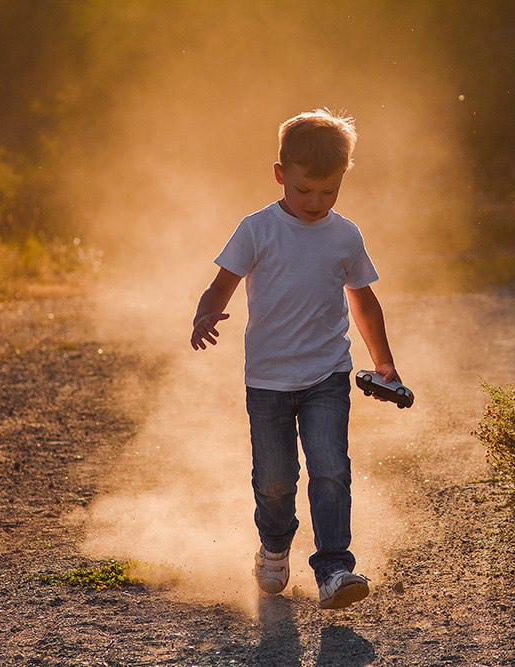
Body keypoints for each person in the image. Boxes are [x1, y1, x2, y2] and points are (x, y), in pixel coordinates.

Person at [190, 109, 400, 610]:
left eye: (329, 192)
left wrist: (385, 363)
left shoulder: (345, 235)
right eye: (305, 190)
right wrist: (205, 314)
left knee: (330, 468)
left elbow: (364, 301)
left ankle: (334, 567)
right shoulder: (257, 229)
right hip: (267, 381)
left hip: (328, 373)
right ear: (281, 173)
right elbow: (223, 283)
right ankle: (275, 544)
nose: (316, 202)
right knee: (275, 480)